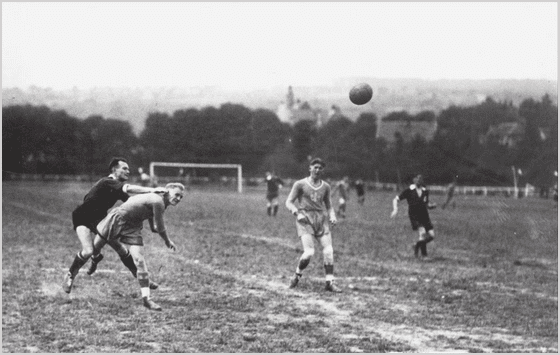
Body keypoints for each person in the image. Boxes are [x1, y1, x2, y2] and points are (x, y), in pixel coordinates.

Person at [63, 158, 165, 295]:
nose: (127, 171)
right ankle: (70, 275)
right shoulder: (107, 181)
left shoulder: (118, 189)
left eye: (128, 169)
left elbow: (137, 205)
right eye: (124, 168)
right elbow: (129, 187)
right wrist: (153, 190)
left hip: (100, 219)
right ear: (114, 170)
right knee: (87, 250)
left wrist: (152, 221)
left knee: (120, 248)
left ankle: (141, 278)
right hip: (82, 216)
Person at [86, 182, 184, 311]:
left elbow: (153, 224)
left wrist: (157, 230)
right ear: (167, 191)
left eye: (181, 197)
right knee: (96, 247)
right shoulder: (158, 201)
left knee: (139, 259)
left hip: (134, 225)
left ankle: (146, 299)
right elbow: (159, 228)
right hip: (118, 218)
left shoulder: (161, 203)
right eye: (176, 195)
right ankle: (95, 259)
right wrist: (167, 241)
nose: (178, 199)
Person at [285, 158, 341, 293]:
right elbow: (289, 202)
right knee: (309, 252)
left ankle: (329, 282)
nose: (317, 170)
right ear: (310, 168)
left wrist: (332, 216)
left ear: (323, 170)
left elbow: (329, 206)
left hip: (321, 219)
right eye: (315, 167)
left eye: (320, 168)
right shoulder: (300, 184)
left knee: (328, 251)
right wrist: (296, 213)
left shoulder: (326, 187)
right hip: (305, 219)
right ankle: (297, 275)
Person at [390, 174, 437, 259]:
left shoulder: (425, 191)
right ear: (414, 180)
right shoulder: (409, 190)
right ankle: (424, 255)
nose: (419, 180)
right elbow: (395, 199)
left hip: (425, 216)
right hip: (414, 216)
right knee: (422, 232)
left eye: (420, 179)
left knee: (431, 236)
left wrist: (431, 206)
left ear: (422, 181)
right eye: (417, 179)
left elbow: (426, 204)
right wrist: (395, 209)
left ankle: (417, 245)